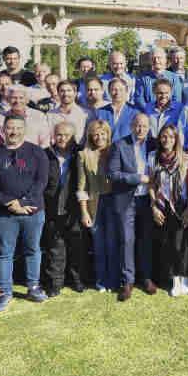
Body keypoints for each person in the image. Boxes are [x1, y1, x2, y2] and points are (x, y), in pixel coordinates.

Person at [0, 114, 50, 313]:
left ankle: (33, 288)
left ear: (24, 129)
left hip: (32, 211)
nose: (14, 132)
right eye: (10, 128)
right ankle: (5, 292)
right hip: (3, 214)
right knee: (4, 253)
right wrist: (9, 203)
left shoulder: (37, 152)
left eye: (18, 128)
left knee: (33, 249)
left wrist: (24, 202)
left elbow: (41, 181)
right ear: (3, 130)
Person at [106, 113, 158, 302]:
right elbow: (113, 174)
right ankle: (128, 281)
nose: (140, 129)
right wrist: (138, 178)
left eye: (144, 126)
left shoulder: (154, 144)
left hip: (148, 200)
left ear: (149, 128)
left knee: (146, 240)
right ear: (131, 126)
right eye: (137, 125)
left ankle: (146, 278)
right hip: (126, 200)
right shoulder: (120, 145)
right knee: (127, 241)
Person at [147, 123, 188, 297]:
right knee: (167, 243)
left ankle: (184, 277)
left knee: (181, 243)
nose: (167, 140)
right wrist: (153, 206)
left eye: (171, 137)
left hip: (181, 204)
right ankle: (173, 278)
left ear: (176, 139)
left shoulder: (185, 157)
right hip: (162, 204)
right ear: (159, 138)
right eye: (164, 136)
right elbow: (151, 184)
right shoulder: (153, 157)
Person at [41, 121, 84, 297]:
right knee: (55, 248)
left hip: (75, 207)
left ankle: (77, 280)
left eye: (67, 135)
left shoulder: (80, 153)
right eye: (59, 134)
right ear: (54, 136)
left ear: (73, 137)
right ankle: (55, 284)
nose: (62, 138)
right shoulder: (45, 154)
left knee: (76, 247)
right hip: (52, 207)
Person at [76, 119, 115, 292]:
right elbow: (81, 187)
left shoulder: (115, 150)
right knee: (99, 244)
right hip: (94, 204)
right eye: (96, 134)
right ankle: (101, 281)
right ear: (91, 136)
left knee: (113, 243)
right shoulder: (83, 155)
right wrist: (84, 212)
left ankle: (113, 280)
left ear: (108, 134)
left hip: (114, 203)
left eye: (103, 133)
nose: (99, 137)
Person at [143, 77, 188, 147]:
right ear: (154, 92)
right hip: (153, 146)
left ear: (171, 92)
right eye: (160, 93)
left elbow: (187, 130)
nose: (163, 96)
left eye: (166, 93)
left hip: (172, 146)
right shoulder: (148, 108)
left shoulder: (180, 108)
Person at [134, 47, 182, 111]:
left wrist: (164, 112)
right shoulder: (142, 78)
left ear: (165, 60)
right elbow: (139, 99)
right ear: (150, 61)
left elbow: (176, 100)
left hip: (169, 114)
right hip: (148, 113)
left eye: (159, 58)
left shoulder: (174, 78)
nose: (156, 60)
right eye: (153, 58)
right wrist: (151, 111)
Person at [46, 80, 92, 145]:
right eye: (62, 91)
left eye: (69, 90)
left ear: (75, 93)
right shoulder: (50, 115)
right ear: (58, 93)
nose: (65, 94)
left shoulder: (86, 114)